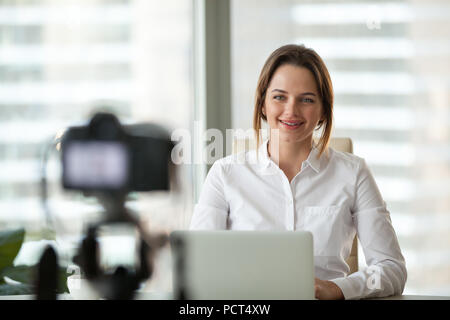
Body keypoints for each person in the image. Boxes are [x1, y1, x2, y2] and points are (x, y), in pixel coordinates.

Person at [189, 44, 407, 300]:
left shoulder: (354, 173)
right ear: (262, 104)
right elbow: (197, 269)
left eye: (306, 99)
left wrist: (338, 288)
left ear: (324, 110)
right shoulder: (224, 175)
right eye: (279, 97)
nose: (291, 110)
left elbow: (392, 269)